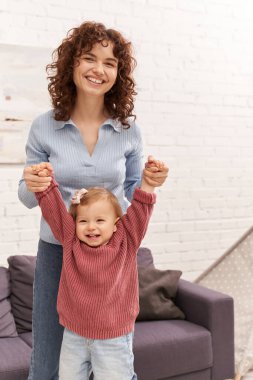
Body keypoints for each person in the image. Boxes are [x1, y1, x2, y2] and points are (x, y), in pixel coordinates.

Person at [18, 21, 168, 379]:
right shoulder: (44, 126)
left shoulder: (128, 129)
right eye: (89, 58)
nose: (99, 69)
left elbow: (134, 191)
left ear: (119, 73)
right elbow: (26, 197)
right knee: (49, 360)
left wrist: (151, 182)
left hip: (112, 258)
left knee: (111, 357)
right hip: (58, 250)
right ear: (72, 65)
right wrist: (32, 181)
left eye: (110, 62)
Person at [30, 158, 165, 380]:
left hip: (113, 338)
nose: (91, 227)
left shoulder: (126, 240)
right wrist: (45, 183)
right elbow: (54, 211)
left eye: (100, 220)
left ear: (116, 224)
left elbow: (141, 210)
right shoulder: (71, 240)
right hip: (74, 335)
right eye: (83, 221)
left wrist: (148, 184)